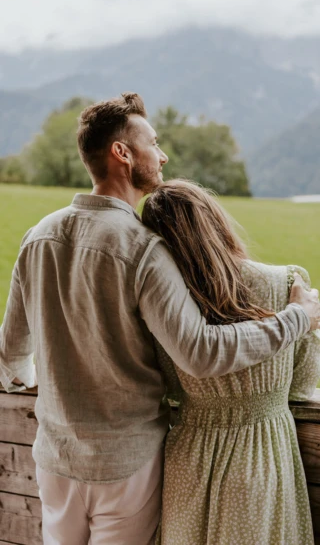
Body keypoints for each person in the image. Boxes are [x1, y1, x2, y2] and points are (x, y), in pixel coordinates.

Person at [0, 93, 319, 545]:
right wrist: (296, 318)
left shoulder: (39, 237)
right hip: (125, 466)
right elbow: (202, 353)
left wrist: (51, 378)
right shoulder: (143, 250)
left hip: (55, 460)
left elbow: (11, 355)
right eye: (154, 142)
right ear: (122, 154)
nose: (163, 154)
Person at [142, 179, 320, 545]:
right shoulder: (287, 283)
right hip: (262, 455)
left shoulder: (168, 307)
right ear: (215, 221)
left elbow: (170, 386)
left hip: (188, 457)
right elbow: (303, 385)